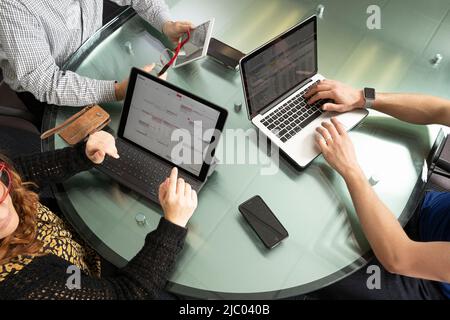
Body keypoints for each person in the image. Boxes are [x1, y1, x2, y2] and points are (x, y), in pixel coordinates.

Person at [0, 131, 198, 299]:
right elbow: (128, 294)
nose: (2, 214)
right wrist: (173, 224)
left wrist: (83, 154)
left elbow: (21, 172)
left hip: (81, 246)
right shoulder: (32, 289)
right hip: (92, 278)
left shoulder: (5, 178)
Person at [302, 80, 450, 300]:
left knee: (309, 267)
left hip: (427, 282)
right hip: (429, 213)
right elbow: (441, 110)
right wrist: (362, 98)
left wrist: (350, 169)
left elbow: (400, 257)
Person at [0, 0, 194, 125]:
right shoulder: (12, 5)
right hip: (49, 89)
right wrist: (117, 91)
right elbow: (46, 83)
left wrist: (166, 23)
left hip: (92, 52)